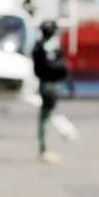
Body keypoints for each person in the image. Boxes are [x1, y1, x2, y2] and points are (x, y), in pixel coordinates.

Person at [32, 20, 67, 164]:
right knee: (45, 117)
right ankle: (43, 149)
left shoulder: (40, 46)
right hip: (49, 84)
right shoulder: (48, 47)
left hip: (47, 83)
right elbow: (59, 66)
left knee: (45, 116)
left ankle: (43, 148)